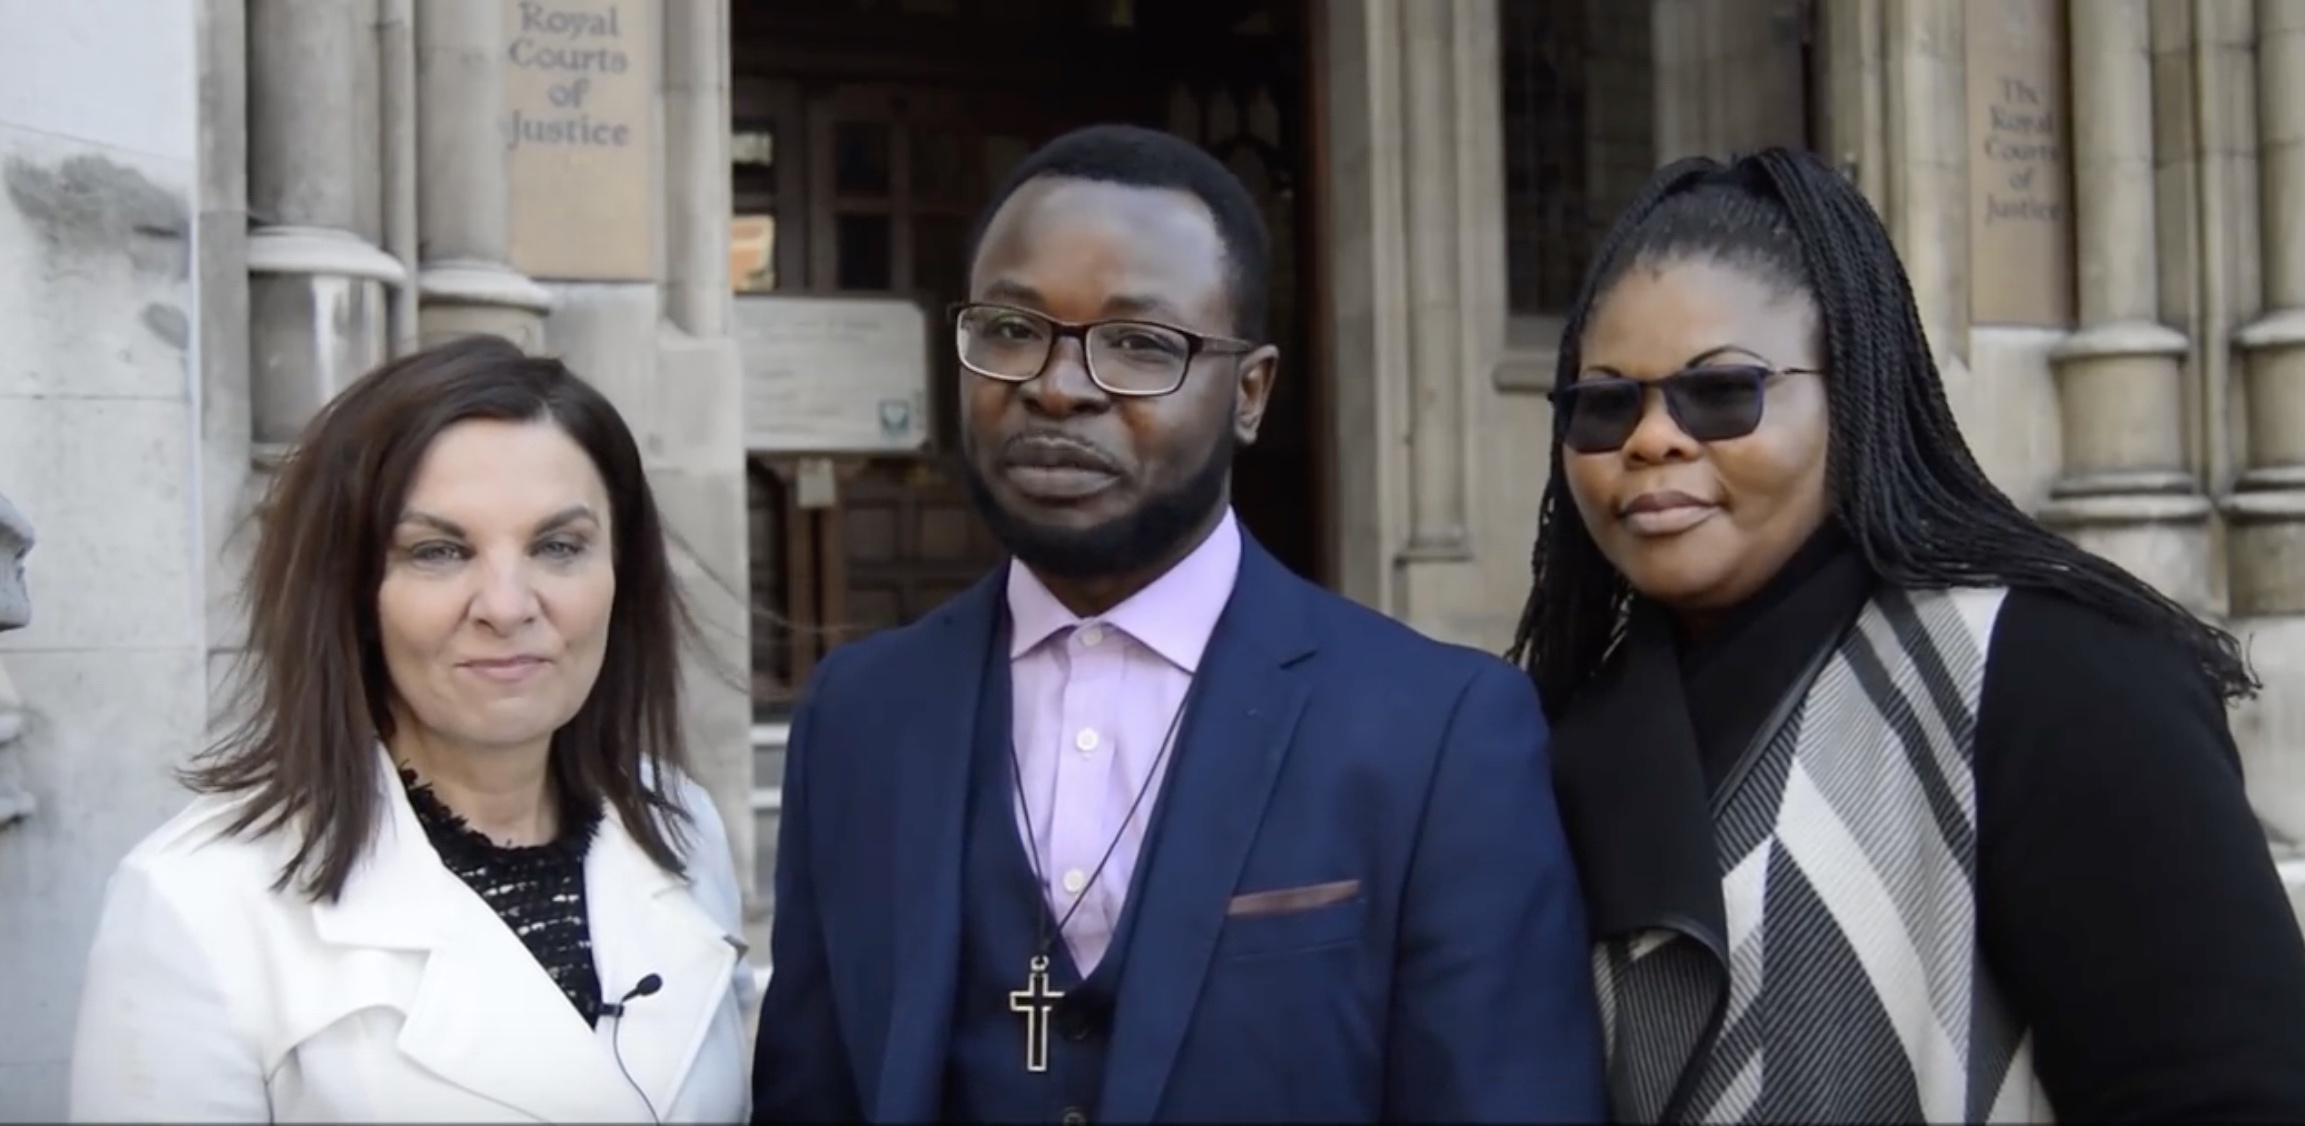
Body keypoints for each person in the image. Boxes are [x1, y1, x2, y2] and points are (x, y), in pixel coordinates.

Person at [750, 124, 1605, 1123]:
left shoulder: (1438, 734)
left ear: (1249, 392)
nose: (1055, 384)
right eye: (1010, 328)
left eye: (1136, 344)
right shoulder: (857, 716)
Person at [1510, 148, 2305, 1123]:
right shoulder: (1558, 733)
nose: (1650, 438)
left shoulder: (2046, 678)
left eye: (1719, 392)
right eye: (1602, 406)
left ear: (1850, 396)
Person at [69, 336, 755, 1123]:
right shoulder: (196, 904)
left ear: (619, 574)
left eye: (558, 546)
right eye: (438, 551)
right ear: (353, 592)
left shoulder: (680, 828)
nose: (506, 605)